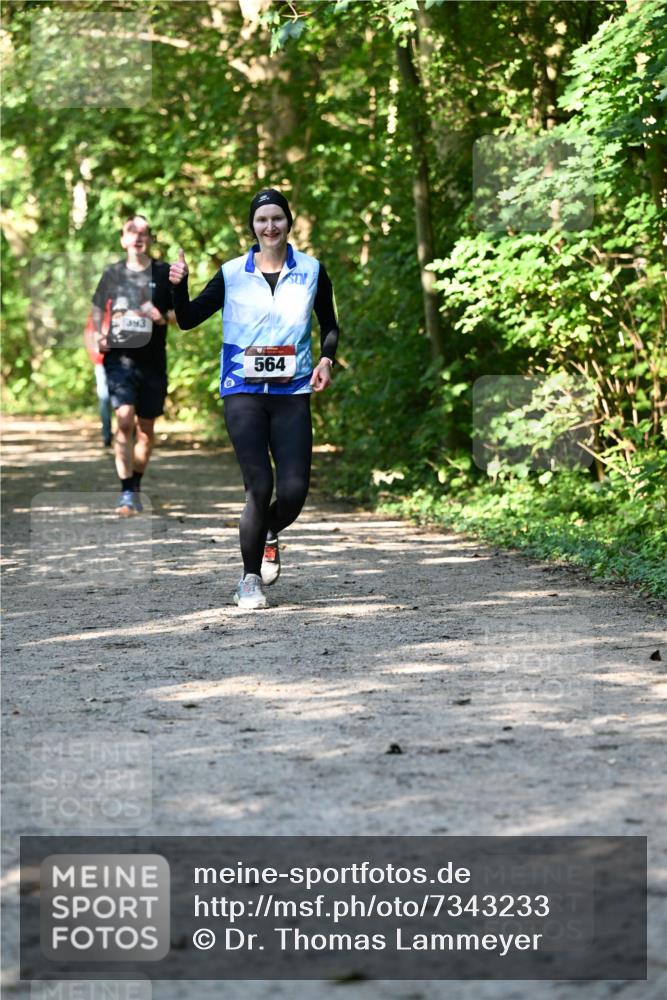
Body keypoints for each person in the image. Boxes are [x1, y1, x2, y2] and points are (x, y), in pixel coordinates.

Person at [169, 188, 339, 609]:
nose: (270, 226)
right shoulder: (231, 273)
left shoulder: (313, 270)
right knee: (259, 485)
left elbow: (330, 324)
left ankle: (268, 532)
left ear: (288, 222)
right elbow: (188, 320)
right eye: (262, 219)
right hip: (242, 390)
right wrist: (178, 286)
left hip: (293, 390)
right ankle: (248, 580)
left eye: (277, 218)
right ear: (252, 226)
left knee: (295, 491)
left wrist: (327, 360)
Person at [91, 215, 174, 515]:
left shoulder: (164, 272)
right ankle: (126, 490)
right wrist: (101, 334)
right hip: (119, 359)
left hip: (153, 362)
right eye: (132, 232)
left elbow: (181, 315)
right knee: (124, 419)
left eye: (144, 233)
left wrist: (162, 316)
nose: (138, 237)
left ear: (150, 239)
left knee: (146, 430)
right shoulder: (113, 273)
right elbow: (98, 308)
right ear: (123, 239)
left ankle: (135, 484)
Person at [83, 306, 113, 447]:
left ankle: (129, 433)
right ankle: (107, 435)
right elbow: (89, 335)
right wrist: (96, 357)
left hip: (126, 363)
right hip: (102, 363)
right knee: (105, 398)